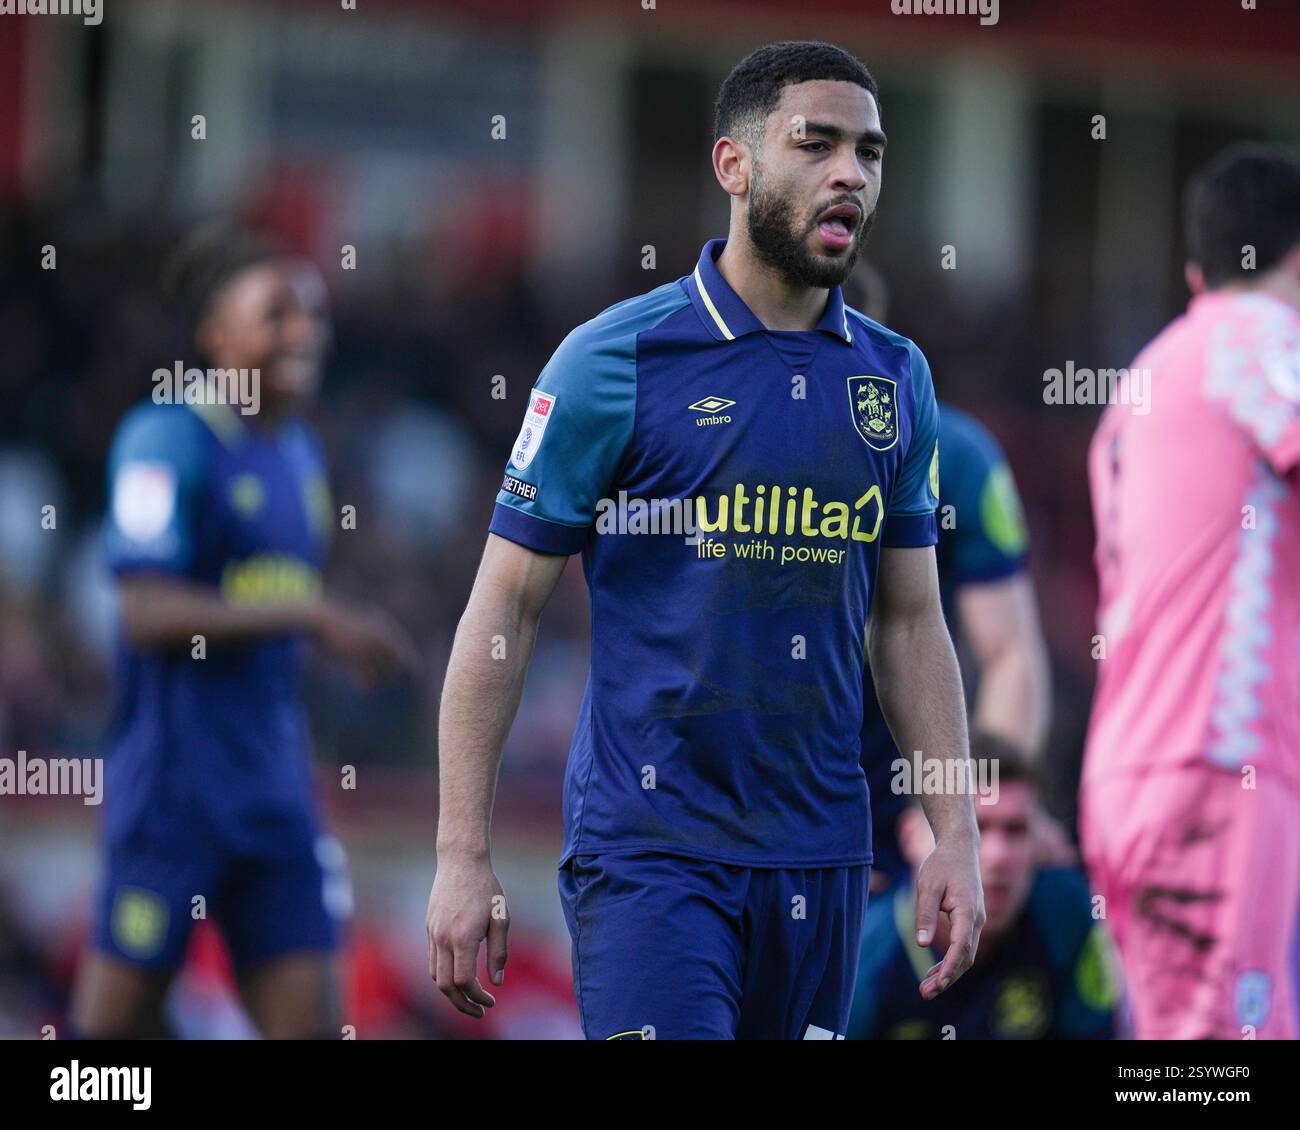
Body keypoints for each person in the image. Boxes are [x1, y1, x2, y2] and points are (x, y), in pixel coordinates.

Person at [427, 40, 984, 1040]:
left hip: (821, 856)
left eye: (869, 151)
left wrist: (955, 831)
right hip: (651, 853)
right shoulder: (612, 361)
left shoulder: (896, 379)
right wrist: (461, 849)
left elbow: (908, 626)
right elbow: (502, 607)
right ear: (734, 166)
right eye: (814, 144)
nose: (849, 172)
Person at [71, 224, 417, 1038]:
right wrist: (312, 614)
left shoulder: (300, 453)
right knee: (97, 1065)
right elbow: (144, 613)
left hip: (274, 797)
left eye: (315, 316)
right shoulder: (164, 440)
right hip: (171, 801)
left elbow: (271, 611)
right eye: (278, 313)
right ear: (216, 336)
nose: (304, 333)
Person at [1082, 143, 1300, 1039]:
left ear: (1194, 268)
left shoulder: (1141, 381)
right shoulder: (1260, 338)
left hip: (1128, 773)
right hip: (1218, 765)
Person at [844, 264, 1056, 891]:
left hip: (910, 791)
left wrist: (973, 821)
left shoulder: (959, 459)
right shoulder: (719, 441)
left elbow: (1011, 654)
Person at [849, 733, 1118, 1039]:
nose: (998, 855)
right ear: (911, 838)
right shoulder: (862, 961)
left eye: (1016, 830)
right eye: (973, 830)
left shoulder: (1066, 909)